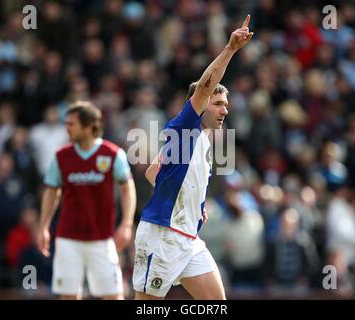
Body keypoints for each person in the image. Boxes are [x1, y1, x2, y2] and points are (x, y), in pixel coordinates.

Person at [133, 14, 254, 300]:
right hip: (162, 236)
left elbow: (153, 171)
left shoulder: (201, 141)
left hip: (189, 238)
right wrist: (230, 50)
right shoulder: (185, 125)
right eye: (219, 103)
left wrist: (191, 204)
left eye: (227, 105)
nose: (225, 110)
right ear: (200, 104)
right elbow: (204, 86)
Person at [37, 100, 136, 300]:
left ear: (89, 126)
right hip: (68, 238)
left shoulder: (112, 154)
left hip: (102, 238)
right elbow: (51, 191)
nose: (67, 129)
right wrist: (43, 226)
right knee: (69, 296)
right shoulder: (62, 156)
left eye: (71, 124)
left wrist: (126, 224)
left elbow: (127, 189)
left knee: (113, 296)